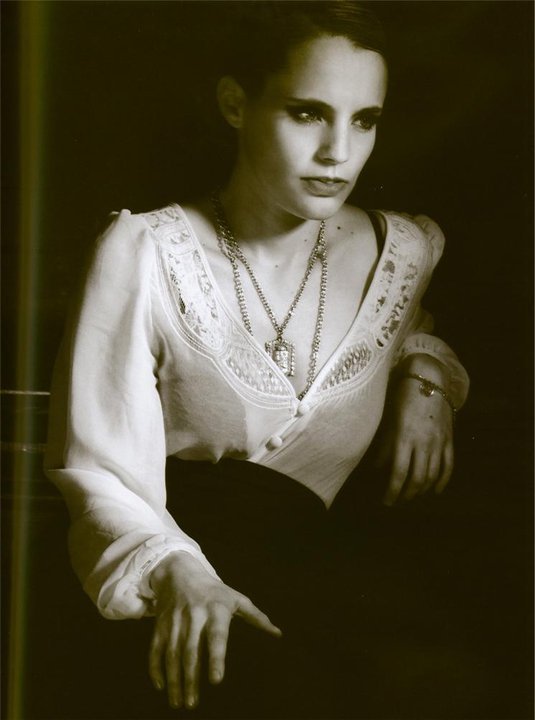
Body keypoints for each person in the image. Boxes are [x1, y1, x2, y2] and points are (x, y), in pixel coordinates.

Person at [45, 3, 473, 718]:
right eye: (307, 113)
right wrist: (178, 571)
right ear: (235, 104)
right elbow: (99, 467)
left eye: (364, 120)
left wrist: (425, 378)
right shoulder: (145, 253)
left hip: (316, 611)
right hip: (165, 602)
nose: (338, 151)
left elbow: (404, 327)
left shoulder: (400, 254)